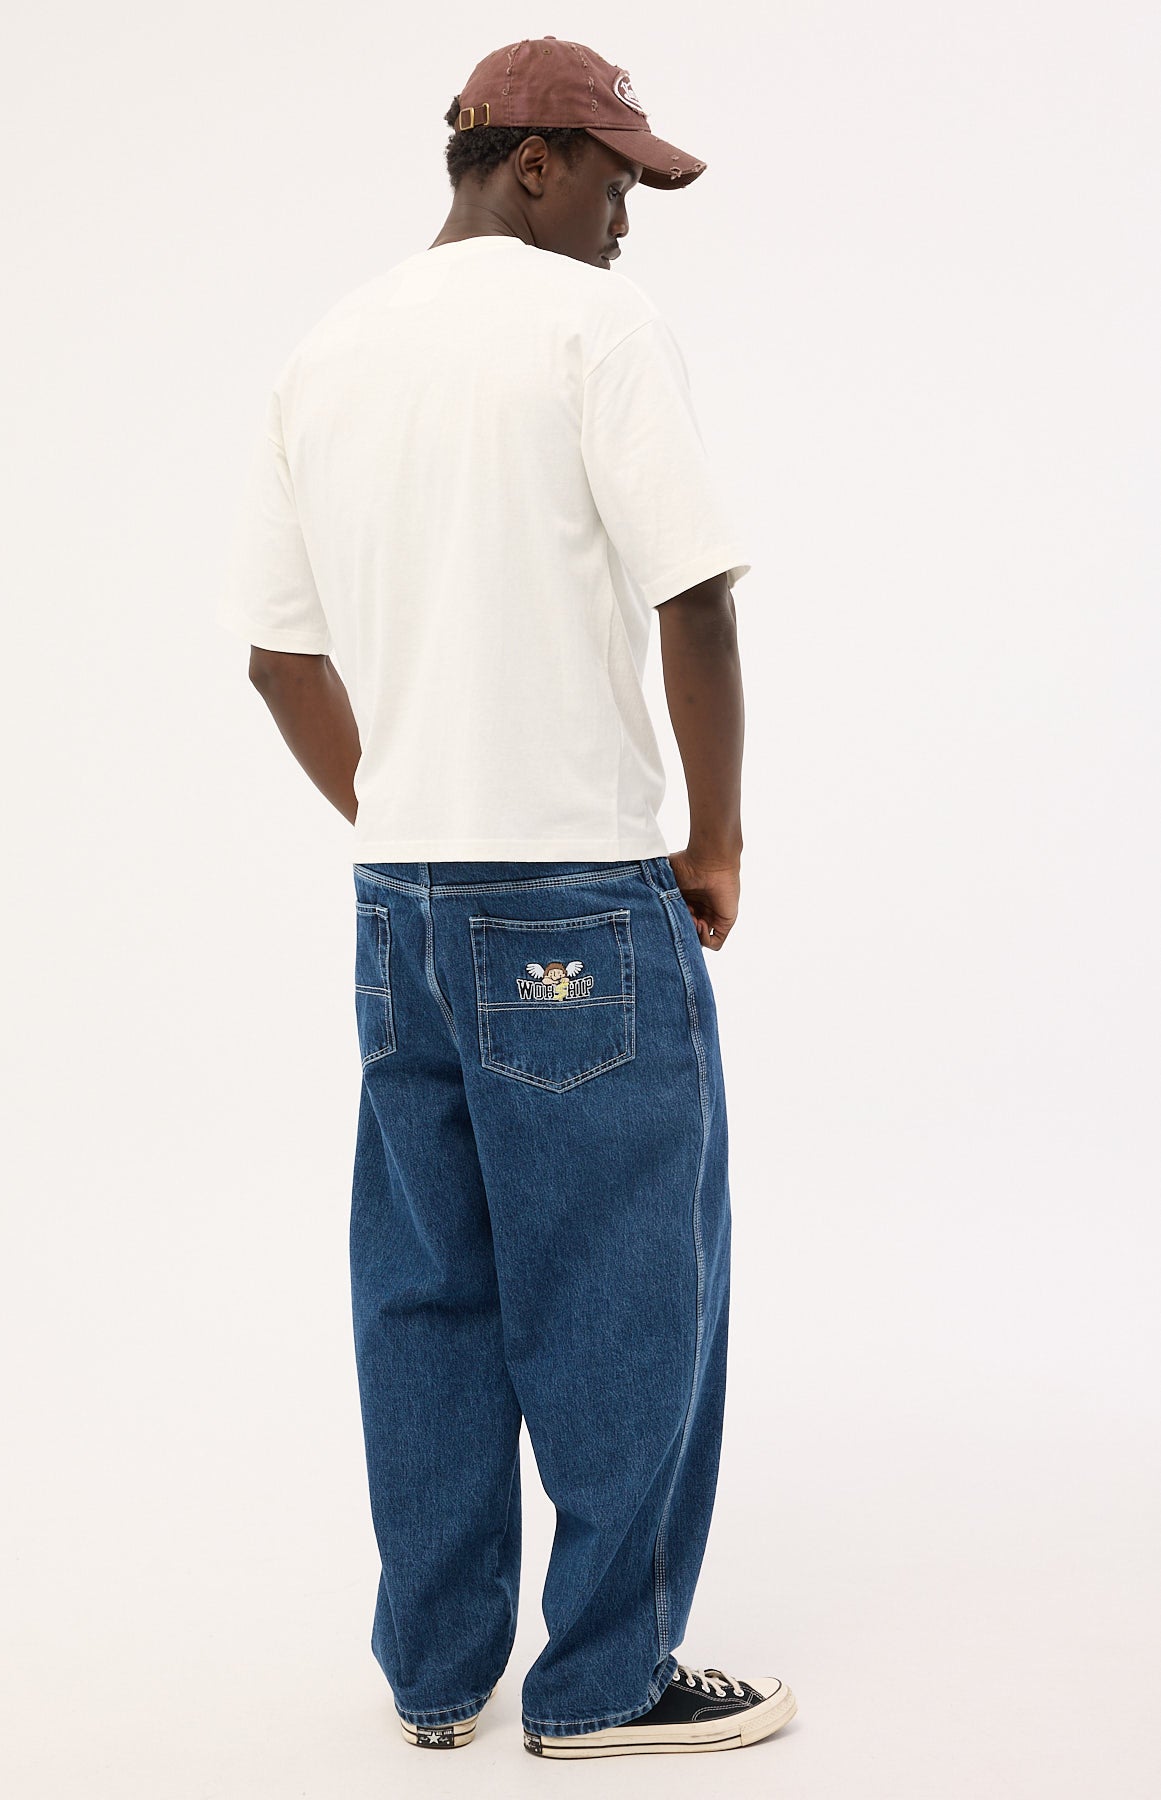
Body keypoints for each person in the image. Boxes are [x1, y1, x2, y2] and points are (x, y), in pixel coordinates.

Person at [217, 34, 796, 1761]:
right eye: (618, 178)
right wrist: (716, 841)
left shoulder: (323, 352)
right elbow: (695, 598)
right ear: (529, 162)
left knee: (427, 1291)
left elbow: (276, 659)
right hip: (575, 896)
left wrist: (401, 807)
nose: (628, 215)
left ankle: (434, 1676)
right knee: (624, 1286)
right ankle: (606, 1682)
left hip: (399, 906)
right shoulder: (589, 328)